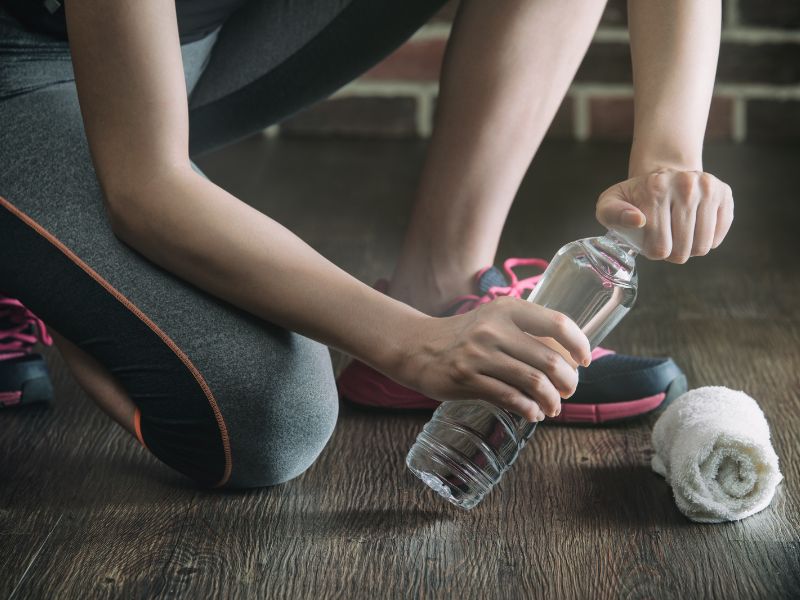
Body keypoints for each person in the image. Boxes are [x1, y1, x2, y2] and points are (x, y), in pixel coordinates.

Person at [0, 0, 733, 489]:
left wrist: (668, 154)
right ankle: (38, 267)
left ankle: (442, 282)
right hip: (24, 73)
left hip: (189, 48)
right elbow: (145, 186)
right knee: (269, 419)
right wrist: (415, 345)